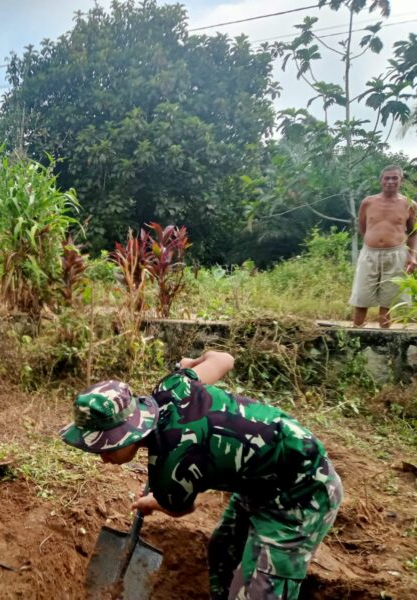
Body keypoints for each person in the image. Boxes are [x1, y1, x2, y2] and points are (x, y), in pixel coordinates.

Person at [60, 350, 343, 600]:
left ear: (130, 432)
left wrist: (154, 501)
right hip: (261, 479)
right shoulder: (173, 386)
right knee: (224, 550)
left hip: (303, 489)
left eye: (107, 447)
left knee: (263, 588)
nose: (103, 457)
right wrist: (190, 364)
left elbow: (181, 508)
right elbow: (223, 359)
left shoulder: (170, 472)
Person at [350, 164, 417, 328]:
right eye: (387, 178)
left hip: (396, 254)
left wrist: (413, 256)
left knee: (388, 299)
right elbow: (363, 228)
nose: (390, 181)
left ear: (401, 180)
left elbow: (413, 232)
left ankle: (385, 341)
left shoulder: (410, 205)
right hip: (369, 253)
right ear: (381, 180)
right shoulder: (368, 202)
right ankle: (355, 336)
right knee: (361, 297)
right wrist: (373, 240)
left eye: (395, 178)